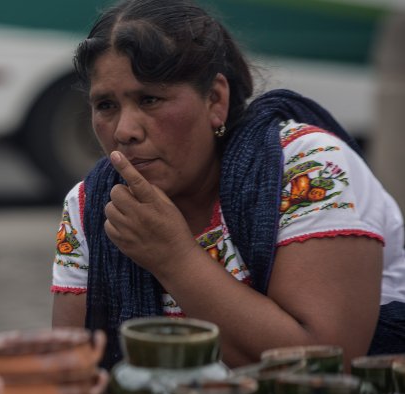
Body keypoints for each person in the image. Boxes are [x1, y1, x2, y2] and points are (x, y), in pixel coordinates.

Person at [51, 0, 405, 369]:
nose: (125, 131)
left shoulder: (307, 168)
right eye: (106, 106)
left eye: (150, 99)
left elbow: (323, 365)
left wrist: (173, 259)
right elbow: (72, 376)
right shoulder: (91, 205)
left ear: (215, 99)